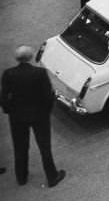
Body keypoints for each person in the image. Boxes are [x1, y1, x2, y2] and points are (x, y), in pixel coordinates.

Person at [1, 45, 65, 189]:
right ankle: (52, 176)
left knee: (20, 147)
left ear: (17, 58)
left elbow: (4, 97)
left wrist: (9, 111)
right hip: (39, 115)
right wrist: (46, 111)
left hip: (17, 116)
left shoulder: (8, 74)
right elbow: (48, 96)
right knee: (44, 147)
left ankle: (21, 177)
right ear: (30, 57)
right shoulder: (40, 73)